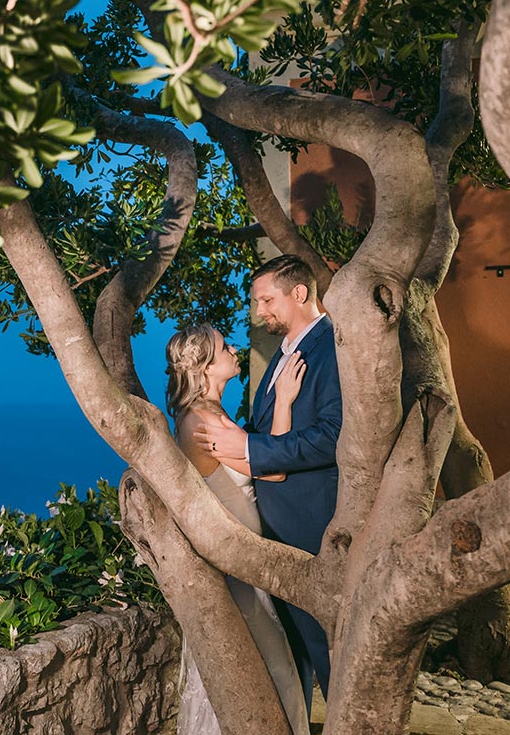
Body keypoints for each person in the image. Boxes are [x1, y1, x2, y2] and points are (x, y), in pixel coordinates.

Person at [194, 253, 341, 709]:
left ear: (299, 293)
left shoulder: (333, 346)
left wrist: (250, 450)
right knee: (294, 646)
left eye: (266, 300)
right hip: (271, 526)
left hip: (308, 520)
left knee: (327, 646)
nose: (259, 312)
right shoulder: (282, 352)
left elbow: (333, 437)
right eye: (257, 302)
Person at [167, 324, 310, 735]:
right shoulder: (201, 424)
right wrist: (283, 400)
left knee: (270, 670)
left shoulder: (210, 413)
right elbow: (275, 470)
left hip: (247, 561)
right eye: (223, 346)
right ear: (208, 366)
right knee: (275, 672)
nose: (234, 348)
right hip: (237, 571)